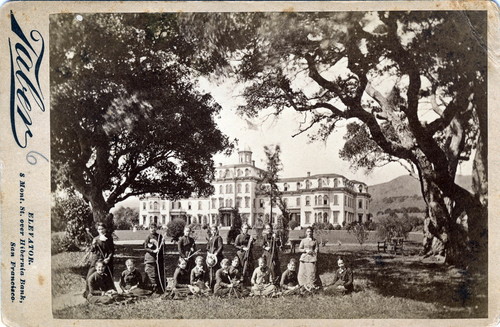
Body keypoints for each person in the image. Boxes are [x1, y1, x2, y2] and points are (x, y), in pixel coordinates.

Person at [84, 222, 115, 298]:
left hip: (106, 261)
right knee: (89, 276)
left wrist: (108, 258)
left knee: (108, 277)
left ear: (105, 229)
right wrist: (93, 244)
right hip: (96, 261)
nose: (100, 231)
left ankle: (109, 292)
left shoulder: (109, 238)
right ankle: (88, 293)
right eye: (99, 229)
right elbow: (92, 250)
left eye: (102, 229)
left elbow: (111, 251)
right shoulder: (96, 239)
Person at [143, 223, 165, 294]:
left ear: (156, 228)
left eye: (154, 228)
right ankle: (151, 288)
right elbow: (145, 247)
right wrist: (153, 251)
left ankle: (160, 288)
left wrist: (163, 244)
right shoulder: (148, 237)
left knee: (158, 272)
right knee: (151, 273)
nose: (153, 229)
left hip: (159, 258)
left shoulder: (160, 236)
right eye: (151, 228)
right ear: (149, 229)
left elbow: (163, 247)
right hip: (150, 258)